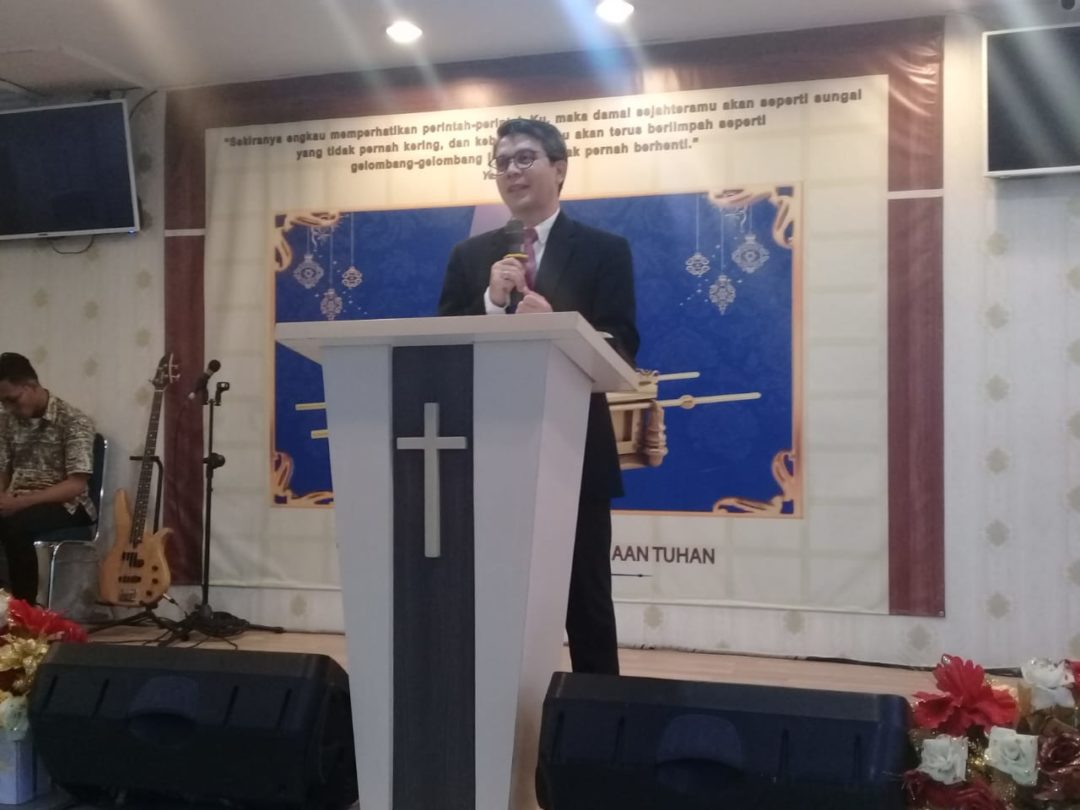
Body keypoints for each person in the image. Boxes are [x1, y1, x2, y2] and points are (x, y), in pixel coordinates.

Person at [438, 118, 638, 674]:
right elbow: (443, 344)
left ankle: (599, 715)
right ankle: (497, 705)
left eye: (525, 158)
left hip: (574, 452)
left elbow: (623, 347)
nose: (511, 171)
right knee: (494, 596)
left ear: (560, 169)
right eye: (502, 162)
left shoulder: (603, 251)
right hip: (491, 451)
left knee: (586, 602)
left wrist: (559, 323)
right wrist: (490, 305)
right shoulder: (469, 256)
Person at [0, 353, 95, 602]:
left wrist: (20, 503)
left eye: (12, 400)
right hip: (18, 498)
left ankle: (25, 610)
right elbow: (3, 469)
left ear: (31, 386)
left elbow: (76, 485)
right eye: (2, 402)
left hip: (67, 504)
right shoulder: (6, 419)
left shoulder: (74, 421)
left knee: (15, 527)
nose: (8, 407)